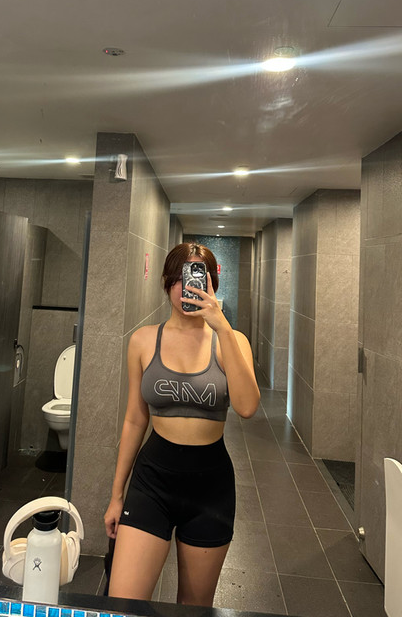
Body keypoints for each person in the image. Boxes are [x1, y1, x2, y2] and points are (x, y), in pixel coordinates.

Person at [104, 242, 260, 606]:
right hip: (152, 481)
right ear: (166, 282)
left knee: (193, 608)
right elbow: (135, 419)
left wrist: (222, 327)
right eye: (178, 276)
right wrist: (116, 495)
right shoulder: (143, 341)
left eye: (196, 276)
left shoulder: (232, 341)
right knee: (123, 604)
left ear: (212, 283)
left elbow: (247, 407)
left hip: (210, 487)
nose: (186, 286)